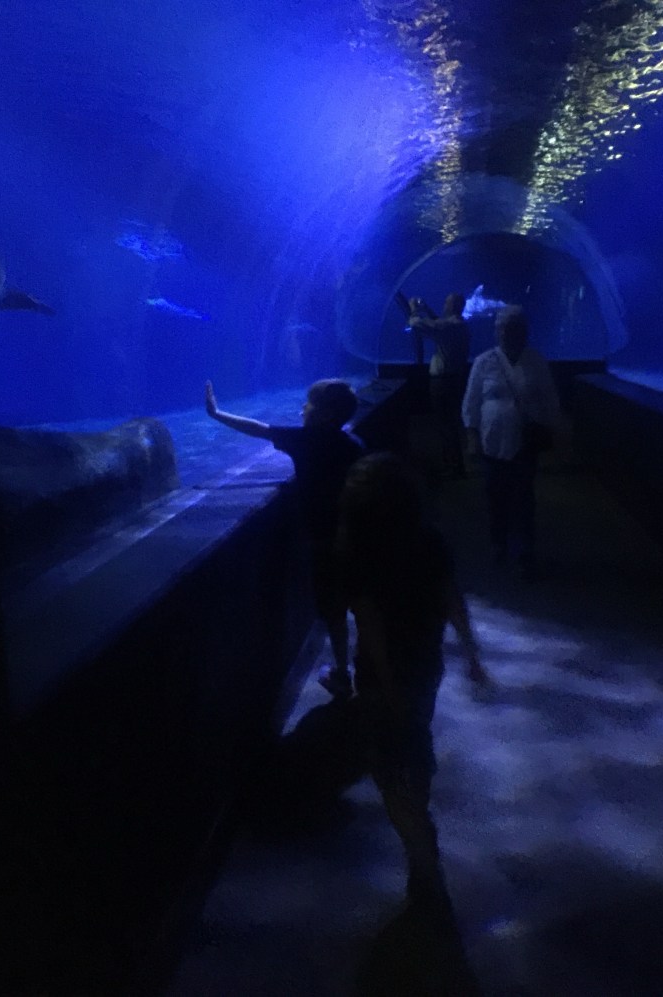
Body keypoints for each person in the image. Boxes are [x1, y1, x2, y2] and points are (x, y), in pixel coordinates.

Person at [336, 451, 488, 907]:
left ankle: (419, 846)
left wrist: (384, 682)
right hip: (425, 661)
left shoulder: (354, 550)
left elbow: (370, 625)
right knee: (414, 736)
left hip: (382, 672)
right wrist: (472, 655)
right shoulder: (430, 540)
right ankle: (419, 812)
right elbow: (452, 599)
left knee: (387, 763)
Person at [205, 378, 364, 698]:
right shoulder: (353, 444)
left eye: (309, 403)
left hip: (323, 540)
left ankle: (343, 672)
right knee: (360, 602)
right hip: (357, 537)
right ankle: (368, 669)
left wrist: (217, 413)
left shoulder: (306, 441)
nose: (303, 408)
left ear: (325, 414)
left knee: (333, 610)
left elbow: (259, 429)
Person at [461, 305, 561, 579]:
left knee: (523, 498)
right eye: (501, 328)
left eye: (512, 328)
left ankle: (523, 550)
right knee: (495, 496)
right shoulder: (484, 361)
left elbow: (550, 398)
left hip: (525, 442)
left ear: (523, 331)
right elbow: (471, 402)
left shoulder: (536, 361)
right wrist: (471, 436)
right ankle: (499, 543)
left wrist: (553, 430)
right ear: (496, 331)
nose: (506, 333)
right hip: (491, 442)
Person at [408, 293, 470, 479]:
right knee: (450, 423)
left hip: (443, 382)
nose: (444, 304)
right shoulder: (459, 325)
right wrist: (427, 309)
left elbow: (417, 325)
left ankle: (454, 467)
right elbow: (438, 324)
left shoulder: (449, 326)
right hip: (454, 379)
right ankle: (453, 464)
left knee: (446, 424)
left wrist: (414, 310)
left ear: (452, 306)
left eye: (446, 302)